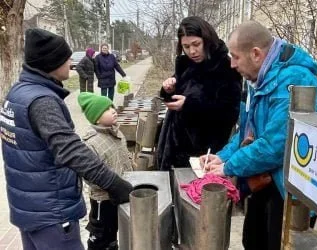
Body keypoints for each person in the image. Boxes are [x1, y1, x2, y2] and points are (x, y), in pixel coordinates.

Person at [0, 28, 134, 250]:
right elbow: (71, 150)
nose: (71, 61)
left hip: (28, 207)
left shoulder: (17, 93)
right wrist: (113, 183)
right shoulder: (42, 101)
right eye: (66, 57)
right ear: (52, 63)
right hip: (52, 212)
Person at [201, 21, 317, 250]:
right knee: (252, 240)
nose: (231, 64)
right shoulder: (260, 78)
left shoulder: (293, 81)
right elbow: (248, 131)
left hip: (291, 191)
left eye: (235, 56)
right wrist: (222, 156)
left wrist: (229, 167)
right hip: (266, 180)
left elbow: (275, 145)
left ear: (256, 54)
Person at [157, 16, 242, 171]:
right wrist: (168, 89)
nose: (192, 51)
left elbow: (229, 113)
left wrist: (189, 105)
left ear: (207, 40)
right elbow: (181, 90)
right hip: (173, 147)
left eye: (196, 44)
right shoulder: (186, 65)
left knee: (194, 193)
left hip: (203, 154)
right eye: (186, 46)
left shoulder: (226, 67)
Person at [78, 92, 133, 250]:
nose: (113, 110)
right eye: (107, 109)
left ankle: (113, 245)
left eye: (112, 106)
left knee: (116, 228)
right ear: (96, 118)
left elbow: (124, 157)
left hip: (120, 192)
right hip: (103, 199)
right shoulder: (91, 143)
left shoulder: (116, 132)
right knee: (101, 234)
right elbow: (89, 175)